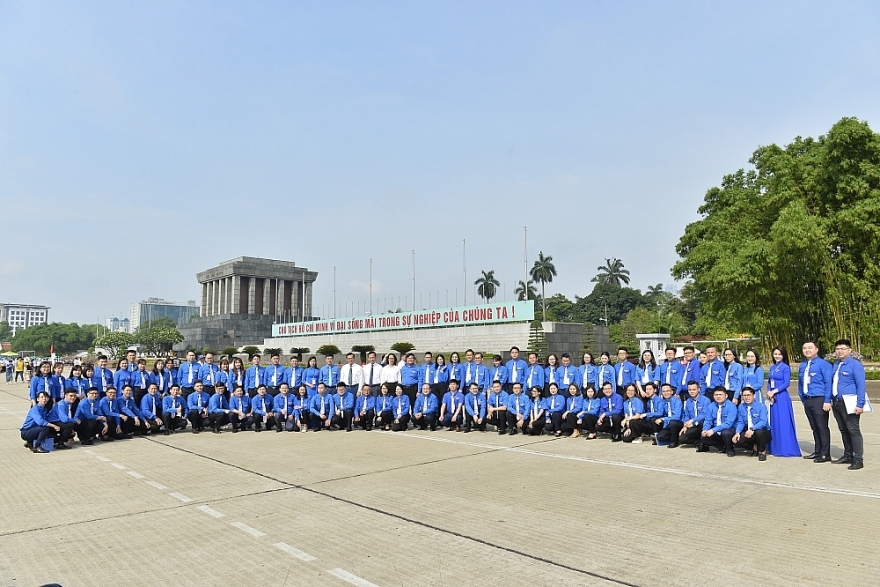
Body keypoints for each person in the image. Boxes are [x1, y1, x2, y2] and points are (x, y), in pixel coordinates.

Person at [830, 339, 867, 470]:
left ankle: (858, 459)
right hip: (837, 402)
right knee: (843, 430)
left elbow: (861, 385)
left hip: (850, 402)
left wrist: (860, 404)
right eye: (837, 349)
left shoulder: (855, 365)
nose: (839, 351)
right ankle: (847, 455)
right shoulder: (835, 364)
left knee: (853, 430)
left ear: (849, 350)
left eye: (842, 349)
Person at [798, 341, 832, 463]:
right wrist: (802, 397)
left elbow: (828, 383)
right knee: (814, 427)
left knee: (822, 427)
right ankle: (817, 451)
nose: (807, 350)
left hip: (819, 399)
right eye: (804, 348)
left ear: (816, 349)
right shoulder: (802, 365)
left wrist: (827, 400)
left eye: (810, 348)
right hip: (807, 400)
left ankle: (825, 453)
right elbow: (800, 383)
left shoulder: (824, 365)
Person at [733, 387, 772, 461]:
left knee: (759, 432)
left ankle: (762, 451)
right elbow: (740, 422)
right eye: (744, 395)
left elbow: (763, 422)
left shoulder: (761, 406)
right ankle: (754, 446)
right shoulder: (741, 407)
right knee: (736, 441)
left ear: (754, 396)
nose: (746, 397)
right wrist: (737, 432)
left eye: (748, 395)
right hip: (749, 432)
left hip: (763, 432)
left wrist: (752, 429)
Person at [697, 387, 738, 456]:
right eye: (716, 395)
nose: (718, 396)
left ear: (726, 396)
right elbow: (708, 420)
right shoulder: (711, 406)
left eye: (720, 394)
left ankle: (730, 449)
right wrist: (705, 430)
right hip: (716, 429)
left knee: (726, 433)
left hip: (729, 429)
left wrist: (713, 430)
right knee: (704, 437)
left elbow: (728, 424)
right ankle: (722, 446)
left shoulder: (731, 406)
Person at [674, 381, 712, 447]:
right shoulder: (688, 401)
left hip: (703, 425)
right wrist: (685, 426)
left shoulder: (706, 400)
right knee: (682, 439)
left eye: (694, 389)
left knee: (702, 422)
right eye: (690, 390)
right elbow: (687, 416)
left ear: (699, 389)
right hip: (693, 426)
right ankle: (700, 442)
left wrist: (692, 420)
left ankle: (704, 441)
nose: (692, 391)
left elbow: (705, 415)